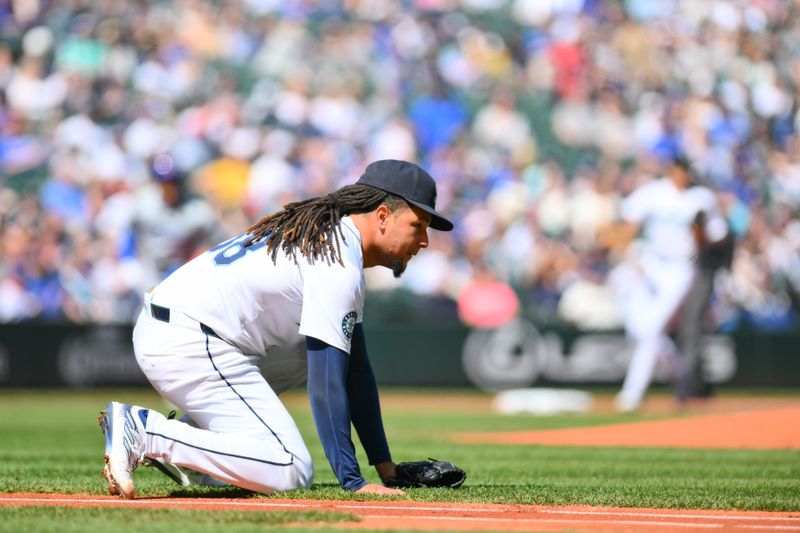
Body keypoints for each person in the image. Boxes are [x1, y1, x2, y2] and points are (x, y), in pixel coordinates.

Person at [99, 159, 454, 499]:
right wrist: (353, 481)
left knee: (315, 348)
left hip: (182, 329)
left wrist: (386, 468)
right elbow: (327, 385)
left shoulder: (332, 239)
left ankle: (195, 444)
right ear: (381, 216)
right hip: (189, 338)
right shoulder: (337, 260)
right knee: (291, 467)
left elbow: (355, 372)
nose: (424, 241)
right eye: (418, 225)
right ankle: (147, 432)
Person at [610, 156, 728, 412]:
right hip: (650, 262)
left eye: (687, 171)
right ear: (672, 170)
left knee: (650, 329)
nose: (682, 175)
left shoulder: (701, 197)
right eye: (679, 170)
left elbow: (717, 236)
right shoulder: (655, 192)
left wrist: (701, 232)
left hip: (680, 269)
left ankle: (633, 392)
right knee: (641, 328)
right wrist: (629, 252)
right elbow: (628, 222)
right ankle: (682, 372)